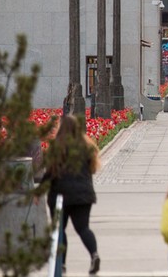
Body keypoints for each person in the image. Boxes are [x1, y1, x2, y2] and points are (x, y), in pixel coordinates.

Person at [44, 114, 102, 275]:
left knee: (60, 230)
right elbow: (92, 169)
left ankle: (62, 264)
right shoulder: (86, 146)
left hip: (61, 195)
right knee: (83, 228)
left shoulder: (57, 146)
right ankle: (94, 254)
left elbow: (50, 172)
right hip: (84, 195)